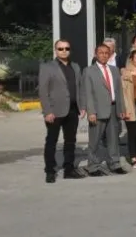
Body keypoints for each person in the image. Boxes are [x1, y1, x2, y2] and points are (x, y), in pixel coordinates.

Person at [38, 39, 85, 183]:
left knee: (70, 141)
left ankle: (69, 169)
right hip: (54, 111)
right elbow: (43, 91)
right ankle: (50, 171)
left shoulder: (76, 67)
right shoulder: (47, 67)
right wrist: (47, 112)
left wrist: (82, 106)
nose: (64, 51)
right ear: (55, 50)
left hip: (72, 110)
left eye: (66, 48)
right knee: (51, 141)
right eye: (60, 49)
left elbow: (80, 88)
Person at [83, 43, 127, 176]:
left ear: (110, 55)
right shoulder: (89, 71)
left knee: (113, 139)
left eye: (106, 53)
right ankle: (93, 166)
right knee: (94, 140)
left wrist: (121, 108)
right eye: (101, 52)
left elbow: (118, 91)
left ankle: (114, 163)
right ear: (96, 54)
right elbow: (88, 93)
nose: (103, 55)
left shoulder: (114, 70)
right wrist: (91, 111)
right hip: (97, 110)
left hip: (113, 109)